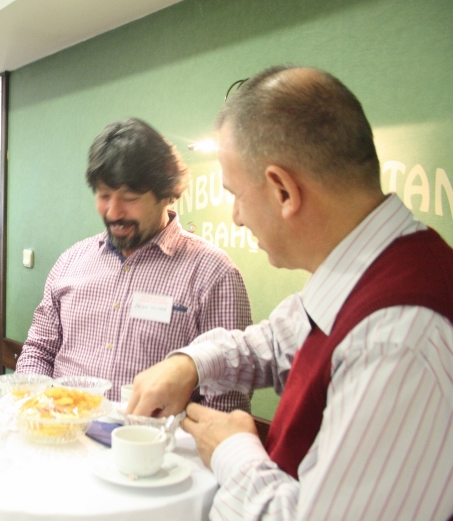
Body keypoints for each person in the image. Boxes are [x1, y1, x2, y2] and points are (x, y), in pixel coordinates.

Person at [128, 66, 453, 520]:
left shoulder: (394, 340)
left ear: (283, 191)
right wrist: (191, 364)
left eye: (236, 195)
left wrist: (233, 451)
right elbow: (278, 341)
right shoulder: (369, 268)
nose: (236, 216)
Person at [15, 118, 252, 406]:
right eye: (104, 196)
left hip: (156, 435)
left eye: (130, 197)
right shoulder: (70, 262)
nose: (114, 212)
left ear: (166, 194)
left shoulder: (214, 274)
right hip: (64, 430)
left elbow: (226, 398)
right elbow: (38, 351)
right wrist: (34, 407)